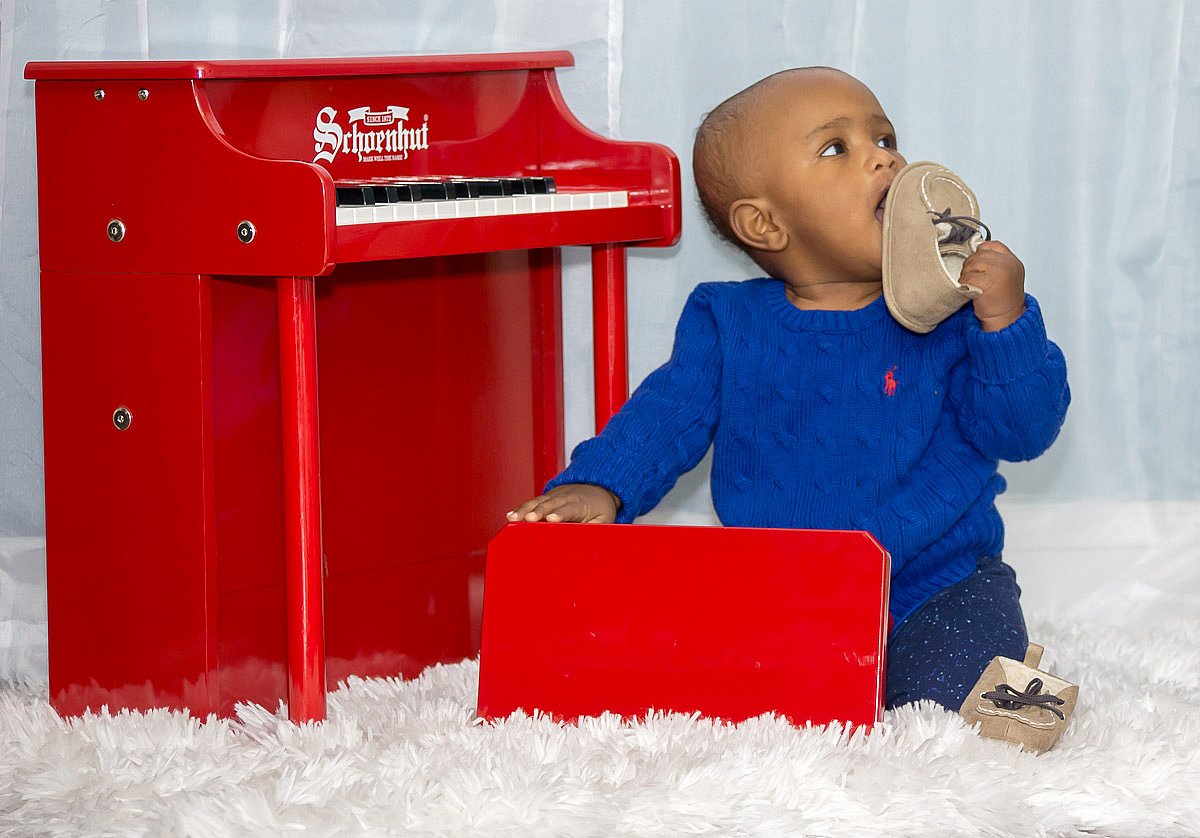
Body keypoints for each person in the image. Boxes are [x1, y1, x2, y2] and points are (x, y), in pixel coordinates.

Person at [506, 67, 1070, 714]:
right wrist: (601, 484)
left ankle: (989, 682)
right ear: (766, 225)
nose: (884, 157)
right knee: (712, 688)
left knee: (947, 701)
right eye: (837, 148)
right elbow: (664, 417)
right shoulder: (729, 322)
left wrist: (1006, 324)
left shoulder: (950, 313)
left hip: (937, 581)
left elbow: (1021, 434)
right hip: (788, 589)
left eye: (885, 138)